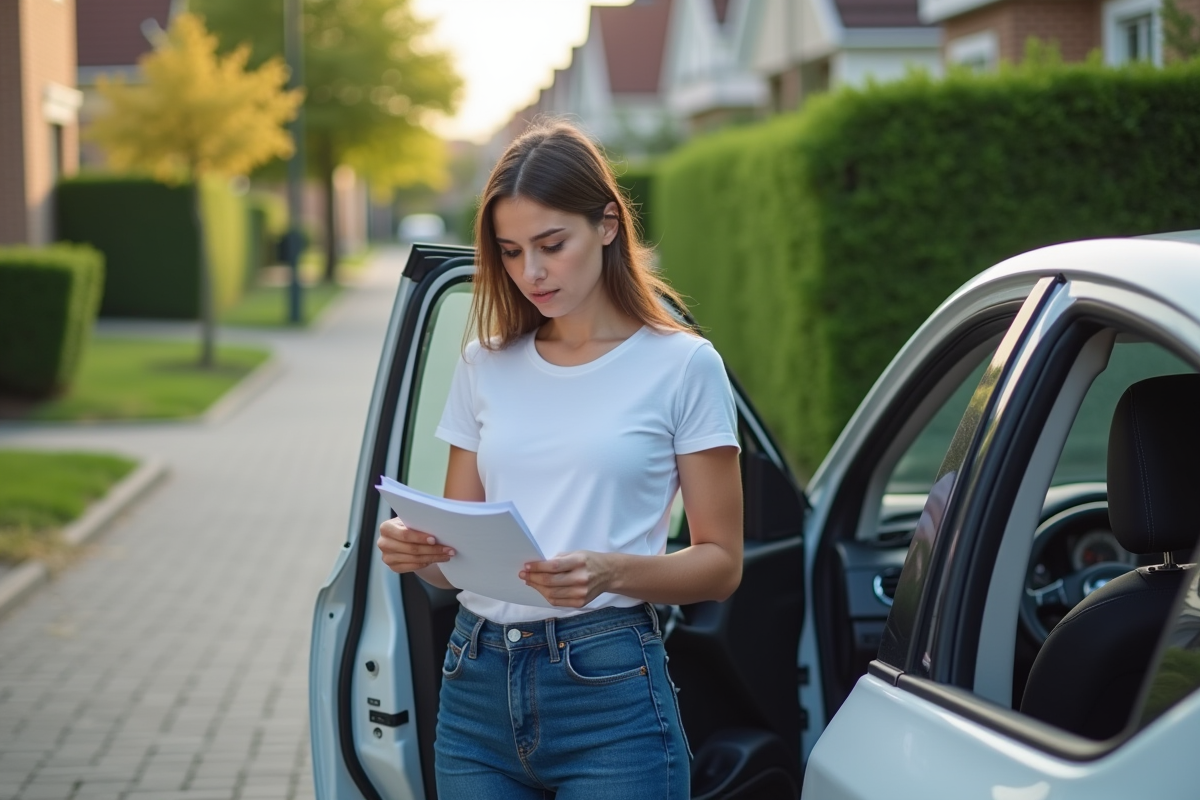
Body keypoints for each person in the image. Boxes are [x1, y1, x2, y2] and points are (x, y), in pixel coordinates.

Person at [377, 120, 743, 800]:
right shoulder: (485, 364)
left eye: (552, 245)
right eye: (512, 253)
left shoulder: (684, 365)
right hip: (475, 684)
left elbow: (721, 564)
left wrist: (611, 571)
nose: (532, 273)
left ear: (607, 224)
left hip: (608, 690)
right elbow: (451, 568)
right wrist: (416, 550)